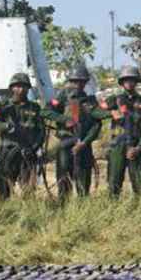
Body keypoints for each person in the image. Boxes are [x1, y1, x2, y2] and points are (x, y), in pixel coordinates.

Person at [45, 62, 102, 201]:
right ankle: (63, 207)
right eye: (75, 81)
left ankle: (82, 208)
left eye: (81, 82)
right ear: (70, 81)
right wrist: (64, 119)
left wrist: (84, 142)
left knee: (83, 179)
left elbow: (97, 125)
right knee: (63, 178)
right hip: (65, 143)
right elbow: (45, 112)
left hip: (84, 145)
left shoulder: (90, 100)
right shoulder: (62, 96)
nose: (78, 85)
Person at [0, 72, 46, 202]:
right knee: (5, 186)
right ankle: (5, 212)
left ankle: (27, 215)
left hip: (28, 152)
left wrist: (34, 148)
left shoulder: (34, 108)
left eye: (24, 86)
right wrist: (6, 126)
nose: (20, 89)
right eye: (17, 86)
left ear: (28, 88)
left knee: (28, 188)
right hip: (8, 151)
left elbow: (41, 131)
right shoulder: (3, 106)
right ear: (12, 88)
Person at [101, 65, 141, 198]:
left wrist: (139, 147)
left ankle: (140, 212)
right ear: (122, 82)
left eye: (132, 80)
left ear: (136, 82)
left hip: (135, 145)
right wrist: (111, 112)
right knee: (114, 182)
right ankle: (113, 211)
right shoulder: (115, 99)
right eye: (126, 80)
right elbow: (97, 110)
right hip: (118, 145)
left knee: (140, 184)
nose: (129, 83)